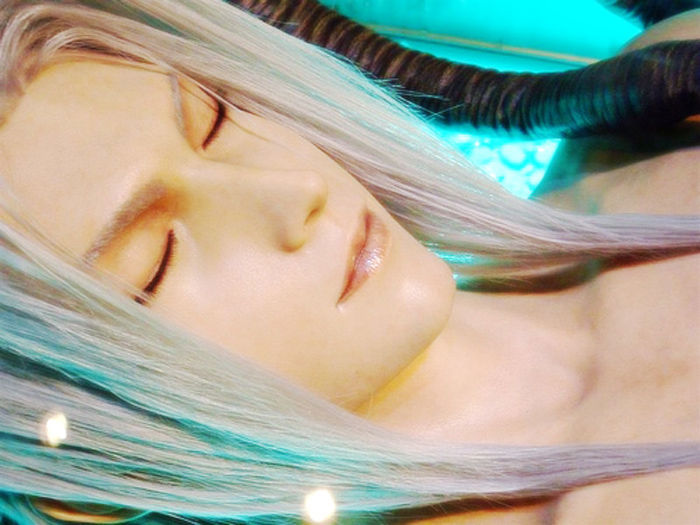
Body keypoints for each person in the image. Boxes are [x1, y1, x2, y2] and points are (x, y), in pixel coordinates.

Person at [0, 1, 697, 523]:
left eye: (212, 119)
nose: (292, 191)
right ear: (94, 470)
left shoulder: (663, 107)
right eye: (156, 260)